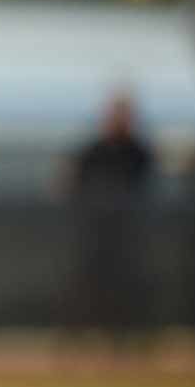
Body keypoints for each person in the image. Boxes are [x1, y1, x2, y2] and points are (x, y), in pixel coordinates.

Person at [62, 90, 156, 338]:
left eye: (124, 115)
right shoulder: (93, 151)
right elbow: (70, 182)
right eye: (116, 114)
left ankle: (125, 335)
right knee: (88, 282)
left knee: (127, 284)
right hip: (95, 231)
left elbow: (144, 185)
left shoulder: (139, 152)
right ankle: (78, 335)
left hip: (126, 234)